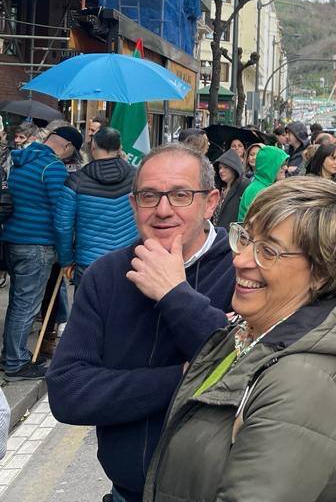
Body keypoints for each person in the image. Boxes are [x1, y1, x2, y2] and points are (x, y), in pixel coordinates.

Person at [142, 177, 336, 501]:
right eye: (246, 238)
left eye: (268, 251)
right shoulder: (251, 332)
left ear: (322, 272)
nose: (240, 259)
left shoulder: (304, 383)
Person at [46, 144, 236, 502]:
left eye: (180, 195)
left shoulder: (244, 271)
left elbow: (241, 373)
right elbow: (68, 393)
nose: (163, 210)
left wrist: (175, 294)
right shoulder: (107, 275)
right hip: (126, 492)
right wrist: (183, 378)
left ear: (211, 202)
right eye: (149, 196)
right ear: (133, 204)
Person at [2, 125, 82, 380]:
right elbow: (61, 214)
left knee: (18, 303)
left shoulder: (20, 161)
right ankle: (16, 362)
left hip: (12, 240)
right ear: (68, 147)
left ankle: (10, 355)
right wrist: (66, 250)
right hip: (37, 244)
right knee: (26, 306)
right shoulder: (53, 168)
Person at [55, 127, 139, 285]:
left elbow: (63, 227)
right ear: (119, 148)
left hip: (89, 263)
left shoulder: (76, 182)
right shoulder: (137, 178)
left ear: (93, 146)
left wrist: (66, 261)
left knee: (88, 309)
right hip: (129, 261)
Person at [237, 145, 289, 222]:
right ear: (269, 167)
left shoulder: (269, 187)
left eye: (285, 164)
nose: (285, 168)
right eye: (281, 165)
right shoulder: (256, 190)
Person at [211, 147, 249, 229]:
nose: (221, 171)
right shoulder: (219, 189)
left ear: (234, 168)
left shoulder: (244, 186)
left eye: (225, 167)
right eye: (220, 167)